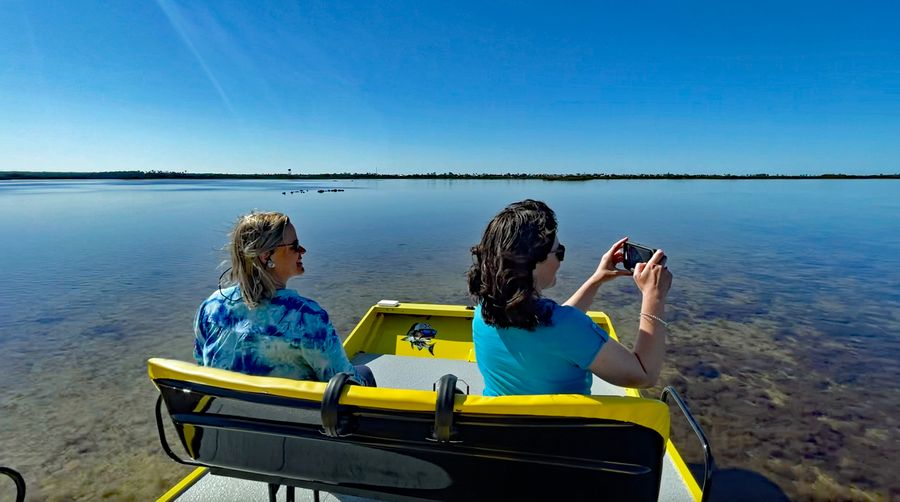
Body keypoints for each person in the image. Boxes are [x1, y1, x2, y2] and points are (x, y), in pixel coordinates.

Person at [468, 200, 671, 396]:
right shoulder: (567, 328)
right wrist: (654, 296)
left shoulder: (484, 312)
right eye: (559, 252)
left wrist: (596, 280)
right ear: (534, 263)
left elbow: (554, 326)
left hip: (501, 426)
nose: (561, 259)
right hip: (563, 430)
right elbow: (644, 375)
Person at [194, 211, 375, 386]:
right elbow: (346, 383)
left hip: (227, 411)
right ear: (266, 256)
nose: (302, 250)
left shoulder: (212, 306)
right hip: (292, 416)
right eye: (295, 246)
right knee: (364, 372)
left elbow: (201, 362)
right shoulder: (307, 318)